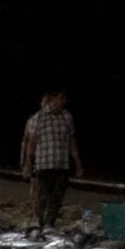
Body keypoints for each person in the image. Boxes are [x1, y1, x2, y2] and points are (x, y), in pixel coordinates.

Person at [22, 89, 84, 227]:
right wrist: (27, 163)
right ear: (52, 99)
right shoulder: (38, 117)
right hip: (44, 163)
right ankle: (38, 222)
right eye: (60, 98)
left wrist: (77, 162)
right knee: (41, 196)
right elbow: (31, 142)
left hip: (62, 164)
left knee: (57, 197)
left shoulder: (67, 117)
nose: (63, 102)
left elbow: (71, 140)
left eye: (64, 99)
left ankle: (50, 223)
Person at [20, 93, 51, 215]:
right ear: (41, 103)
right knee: (36, 186)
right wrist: (25, 161)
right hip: (36, 158)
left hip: (48, 158)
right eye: (45, 102)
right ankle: (36, 210)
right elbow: (26, 141)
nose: (47, 105)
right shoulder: (34, 119)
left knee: (47, 187)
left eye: (49, 102)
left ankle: (41, 210)